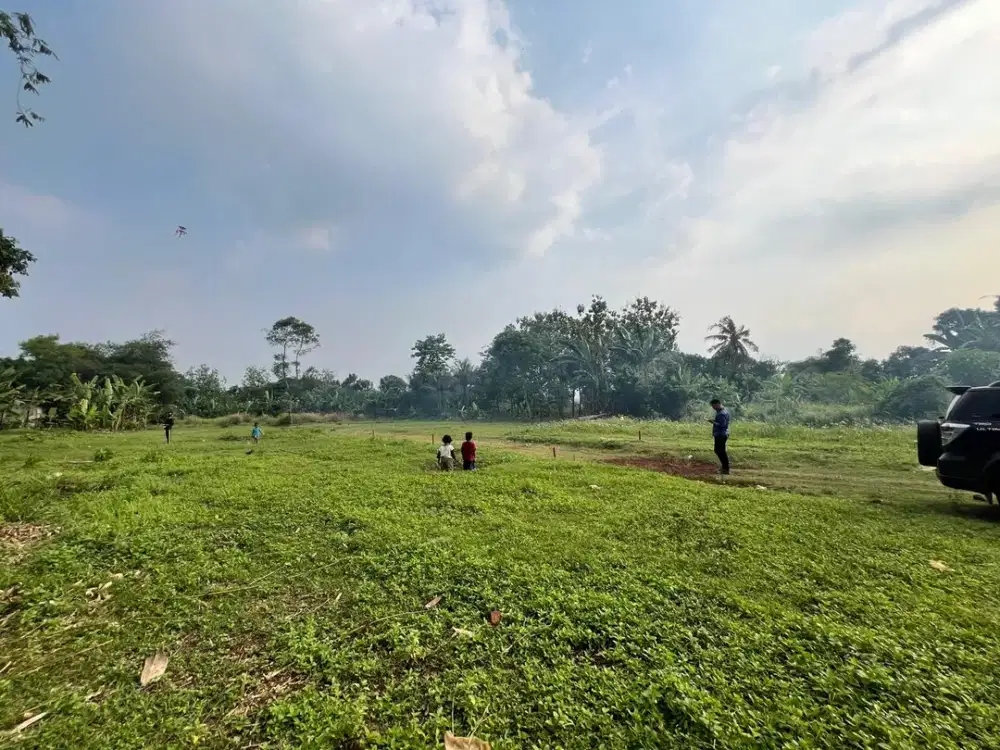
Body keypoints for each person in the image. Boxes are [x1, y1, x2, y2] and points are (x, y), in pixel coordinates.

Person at [708, 398, 730, 475]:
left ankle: (726, 468)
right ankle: (724, 467)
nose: (713, 408)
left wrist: (713, 422)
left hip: (721, 434)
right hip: (720, 434)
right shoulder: (721, 412)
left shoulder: (722, 413)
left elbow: (722, 425)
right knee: (718, 451)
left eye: (714, 406)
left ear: (718, 404)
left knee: (721, 451)